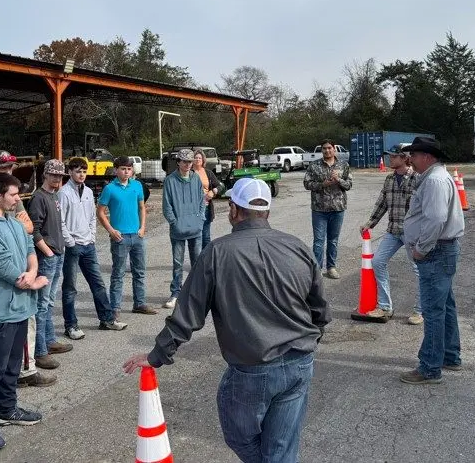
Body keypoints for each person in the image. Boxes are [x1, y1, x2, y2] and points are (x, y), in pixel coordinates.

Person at [123, 177, 331, 463]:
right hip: (300, 362)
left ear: (234, 209)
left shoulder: (217, 252)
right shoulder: (297, 247)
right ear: (266, 211)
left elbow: (188, 314)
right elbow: (320, 308)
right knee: (281, 448)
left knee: (241, 437)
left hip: (254, 368)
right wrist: (309, 340)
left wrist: (157, 355)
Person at [0, 150, 54, 388]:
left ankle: (23, 371)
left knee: (24, 319)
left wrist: (31, 269)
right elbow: (2, 228)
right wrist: (18, 225)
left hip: (19, 265)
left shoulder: (10, 192)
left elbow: (29, 226)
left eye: (10, 168)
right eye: (2, 168)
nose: (8, 171)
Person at [0, 172, 48, 451]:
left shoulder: (14, 223)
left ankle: (7, 409)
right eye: (14, 195)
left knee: (13, 365)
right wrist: (29, 282)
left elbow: (29, 248)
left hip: (20, 308)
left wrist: (33, 271)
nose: (18, 199)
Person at [399, 137, 465, 385]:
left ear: (427, 157)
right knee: (444, 305)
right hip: (441, 250)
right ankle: (449, 355)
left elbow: (436, 219)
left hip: (436, 251)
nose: (411, 160)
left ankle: (430, 367)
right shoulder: (434, 177)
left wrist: (421, 249)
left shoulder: (434, 180)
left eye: (414, 155)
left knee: (433, 311)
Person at [59, 157, 128, 340]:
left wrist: (92, 237)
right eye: (78, 171)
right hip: (73, 246)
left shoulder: (89, 192)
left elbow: (92, 216)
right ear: (70, 172)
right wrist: (70, 241)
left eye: (84, 171)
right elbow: (61, 221)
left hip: (88, 245)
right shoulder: (64, 193)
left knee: (98, 284)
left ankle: (107, 319)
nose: (81, 174)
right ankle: (71, 325)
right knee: (70, 288)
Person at [360, 145, 423, 325]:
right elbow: (382, 204)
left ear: (404, 158)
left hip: (412, 233)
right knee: (378, 262)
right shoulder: (389, 179)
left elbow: (425, 207)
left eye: (394, 156)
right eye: (389, 156)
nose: (390, 159)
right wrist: (370, 223)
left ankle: (420, 310)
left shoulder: (417, 178)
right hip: (393, 230)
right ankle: (385, 306)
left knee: (420, 270)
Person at [97, 156, 158, 317]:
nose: (126, 172)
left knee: (139, 271)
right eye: (123, 169)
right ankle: (115, 308)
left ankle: (139, 303)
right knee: (118, 273)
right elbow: (100, 212)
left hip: (137, 235)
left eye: (129, 169)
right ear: (116, 170)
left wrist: (143, 227)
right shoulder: (109, 189)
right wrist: (111, 230)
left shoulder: (137, 186)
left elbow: (141, 207)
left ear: (132, 171)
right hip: (120, 237)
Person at [28, 159, 73, 370]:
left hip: (57, 253)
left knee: (49, 302)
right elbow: (33, 229)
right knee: (41, 304)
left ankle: (49, 340)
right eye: (54, 174)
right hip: (48, 256)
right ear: (45, 174)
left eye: (60, 175)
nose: (57, 178)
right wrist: (47, 251)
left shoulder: (54, 195)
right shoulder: (38, 197)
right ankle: (40, 351)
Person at [161, 148, 207, 309]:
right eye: (185, 161)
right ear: (178, 162)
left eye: (190, 161)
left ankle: (196, 293)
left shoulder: (196, 178)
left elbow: (202, 201)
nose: (188, 164)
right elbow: (166, 206)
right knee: (178, 263)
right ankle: (176, 293)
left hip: (196, 228)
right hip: (178, 229)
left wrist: (200, 218)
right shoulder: (169, 181)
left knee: (197, 262)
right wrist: (174, 222)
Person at [303, 139, 352, 279]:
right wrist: (322, 184)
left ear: (334, 149)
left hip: (338, 208)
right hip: (319, 209)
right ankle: (317, 270)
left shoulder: (343, 165)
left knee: (333, 240)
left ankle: (331, 267)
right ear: (322, 150)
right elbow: (306, 184)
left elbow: (349, 185)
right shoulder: (314, 165)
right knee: (318, 241)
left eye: (329, 148)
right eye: (324, 148)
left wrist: (338, 180)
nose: (327, 150)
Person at [193, 149, 226, 249]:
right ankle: (197, 257)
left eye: (200, 158)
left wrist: (214, 191)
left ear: (203, 160)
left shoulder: (208, 173)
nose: (198, 159)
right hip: (193, 208)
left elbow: (221, 186)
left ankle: (207, 257)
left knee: (205, 236)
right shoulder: (189, 173)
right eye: (195, 158)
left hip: (206, 208)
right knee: (195, 236)